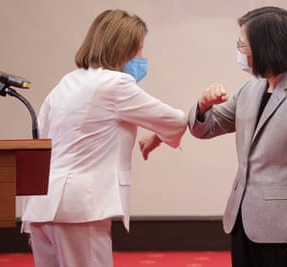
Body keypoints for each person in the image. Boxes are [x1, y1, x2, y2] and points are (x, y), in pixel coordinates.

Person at [21, 9, 187, 267]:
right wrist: (159, 135)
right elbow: (175, 120)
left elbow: (40, 140)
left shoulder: (66, 82)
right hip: (80, 209)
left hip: (42, 205)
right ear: (124, 48)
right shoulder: (116, 84)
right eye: (140, 49)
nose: (143, 58)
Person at [188, 6, 287, 267]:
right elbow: (206, 128)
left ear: (266, 47)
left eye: (242, 44)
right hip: (243, 222)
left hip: (285, 232)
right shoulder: (252, 89)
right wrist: (203, 106)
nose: (239, 51)